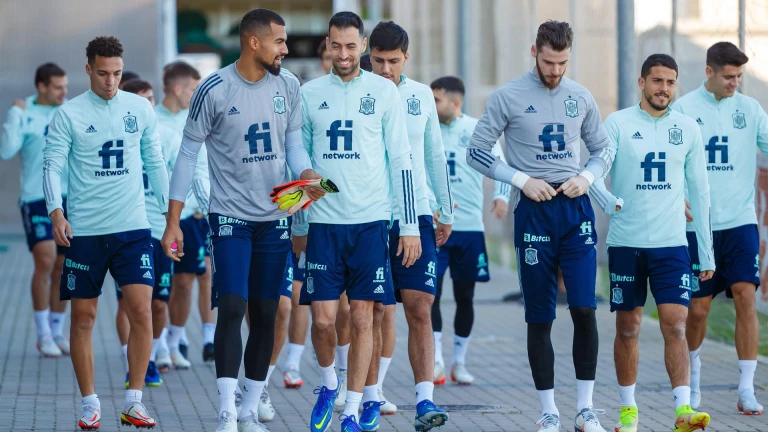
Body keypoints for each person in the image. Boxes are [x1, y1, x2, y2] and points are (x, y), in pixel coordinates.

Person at [161, 9, 323, 432]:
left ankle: (250, 409)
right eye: (279, 41)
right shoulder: (213, 89)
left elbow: (294, 147)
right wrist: (173, 220)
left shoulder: (289, 85)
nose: (285, 49)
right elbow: (187, 155)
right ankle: (227, 412)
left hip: (274, 217)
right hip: (229, 216)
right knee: (232, 306)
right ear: (254, 42)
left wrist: (307, 175)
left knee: (267, 314)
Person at [467, 20, 613, 432]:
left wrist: (586, 177)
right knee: (540, 315)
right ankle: (549, 411)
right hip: (533, 211)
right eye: (549, 62)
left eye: (563, 63)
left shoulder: (581, 97)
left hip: (575, 209)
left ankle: (585, 410)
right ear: (535, 52)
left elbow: (603, 149)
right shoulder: (507, 97)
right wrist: (520, 180)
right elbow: (475, 152)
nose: (555, 71)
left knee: (584, 307)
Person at [295, 11, 418, 432]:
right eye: (337, 46)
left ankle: (351, 409)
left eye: (351, 46)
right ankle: (329, 382)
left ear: (362, 45)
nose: (344, 54)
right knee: (323, 321)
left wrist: (409, 225)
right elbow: (300, 159)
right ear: (328, 45)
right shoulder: (309, 93)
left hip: (370, 223)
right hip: (324, 225)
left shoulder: (384, 92)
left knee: (365, 317)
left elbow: (401, 159)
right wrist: (299, 225)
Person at [44, 36, 166, 429]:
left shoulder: (140, 108)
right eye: (102, 73)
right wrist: (56, 212)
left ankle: (134, 401)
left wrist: (170, 216)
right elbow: (52, 166)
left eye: (116, 73)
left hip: (134, 229)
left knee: (141, 311)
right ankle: (89, 403)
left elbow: (155, 161)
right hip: (86, 232)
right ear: (88, 70)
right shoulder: (69, 114)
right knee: (84, 317)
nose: (111, 81)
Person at [590, 54, 713, 432]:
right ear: (642, 82)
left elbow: (700, 191)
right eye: (657, 81)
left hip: (672, 245)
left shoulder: (687, 128)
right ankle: (628, 410)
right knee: (628, 328)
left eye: (670, 82)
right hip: (626, 244)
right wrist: (609, 203)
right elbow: (594, 173)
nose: (664, 89)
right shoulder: (618, 123)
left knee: (675, 324)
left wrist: (706, 251)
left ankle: (683, 410)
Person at [364, 21, 454, 431]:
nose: (385, 69)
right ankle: (370, 395)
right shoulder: (360, 93)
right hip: (371, 215)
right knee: (373, 309)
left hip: (416, 215)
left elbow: (434, 155)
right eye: (378, 61)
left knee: (420, 305)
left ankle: (424, 400)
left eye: (393, 61)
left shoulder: (420, 96)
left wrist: (445, 211)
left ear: (407, 58)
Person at [673, 41, 767, 415]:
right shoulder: (683, 110)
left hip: (740, 222)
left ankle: (746, 389)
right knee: (698, 309)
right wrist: (676, 198)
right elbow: (670, 160)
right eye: (729, 76)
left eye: (739, 76)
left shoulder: (750, 109)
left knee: (745, 294)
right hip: (697, 226)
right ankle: (694, 377)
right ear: (709, 72)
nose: (735, 83)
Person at [430, 75, 510, 387]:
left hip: (469, 230)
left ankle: (459, 363)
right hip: (435, 228)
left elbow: (501, 164)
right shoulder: (427, 129)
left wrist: (501, 196)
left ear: (455, 102)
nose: (432, 106)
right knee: (430, 295)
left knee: (466, 297)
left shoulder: (476, 130)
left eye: (437, 100)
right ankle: (436, 361)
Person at [1, 62, 70, 358]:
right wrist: (15, 115)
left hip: (69, 198)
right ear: (41, 86)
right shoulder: (24, 111)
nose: (64, 93)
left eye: (65, 87)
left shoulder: (68, 111)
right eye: (58, 87)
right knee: (45, 259)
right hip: (36, 198)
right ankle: (42, 335)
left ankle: (57, 331)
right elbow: (6, 150)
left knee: (63, 267)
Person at [114, 79, 181, 388]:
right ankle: (132, 364)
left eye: (151, 99)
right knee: (127, 304)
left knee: (158, 303)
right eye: (142, 100)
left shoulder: (167, 137)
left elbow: (184, 178)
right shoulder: (115, 136)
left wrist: (179, 219)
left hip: (160, 231)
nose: (148, 106)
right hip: (126, 231)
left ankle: (150, 356)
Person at [154, 60, 213, 368]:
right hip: (163, 218)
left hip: (193, 216)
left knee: (188, 280)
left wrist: (205, 203)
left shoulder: (196, 119)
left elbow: (204, 165)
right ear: (178, 89)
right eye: (193, 89)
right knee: (162, 284)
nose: (196, 95)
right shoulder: (152, 121)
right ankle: (160, 341)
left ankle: (176, 340)